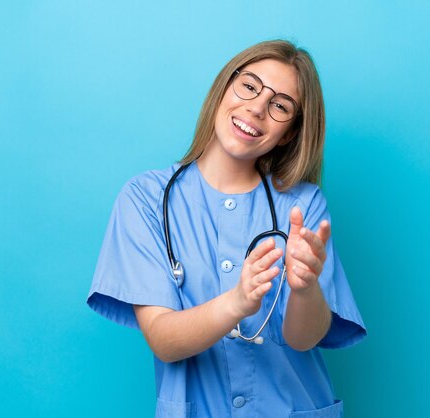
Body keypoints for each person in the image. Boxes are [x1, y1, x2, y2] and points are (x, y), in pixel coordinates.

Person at [87, 39, 366, 418]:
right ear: (223, 88)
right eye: (249, 86)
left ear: (288, 133)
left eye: (280, 105)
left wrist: (304, 289)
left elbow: (303, 339)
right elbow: (164, 340)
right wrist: (237, 302)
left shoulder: (302, 205)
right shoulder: (146, 198)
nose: (256, 108)